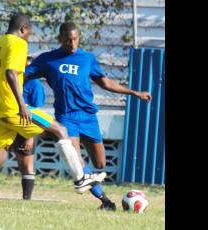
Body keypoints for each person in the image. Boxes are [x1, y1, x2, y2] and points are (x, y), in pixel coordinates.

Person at [0, 14, 106, 206]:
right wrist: (22, 105)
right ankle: (80, 178)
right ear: (23, 29)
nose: (29, 37)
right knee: (60, 130)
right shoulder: (18, 44)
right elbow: (11, 73)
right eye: (30, 33)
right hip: (12, 108)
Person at [24, 22, 152, 211]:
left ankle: (94, 183)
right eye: (68, 40)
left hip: (88, 117)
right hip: (67, 117)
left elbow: (105, 82)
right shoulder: (47, 60)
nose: (73, 44)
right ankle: (106, 201)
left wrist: (135, 93)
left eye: (76, 39)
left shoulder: (87, 58)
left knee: (100, 163)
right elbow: (22, 75)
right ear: (60, 39)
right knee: (76, 159)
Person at [15, 56, 46, 200]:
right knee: (20, 161)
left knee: (27, 163)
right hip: (13, 124)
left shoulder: (35, 85)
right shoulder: (15, 82)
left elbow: (36, 112)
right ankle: (24, 194)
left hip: (28, 127)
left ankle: (27, 198)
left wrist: (29, 136)